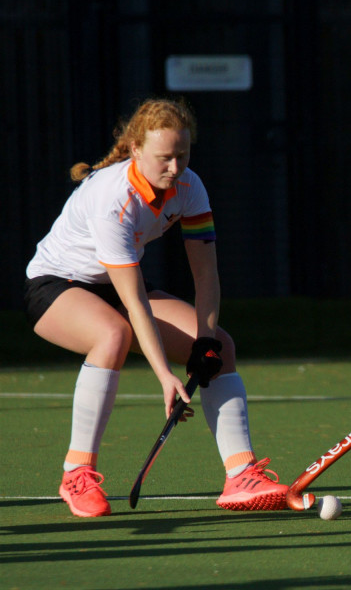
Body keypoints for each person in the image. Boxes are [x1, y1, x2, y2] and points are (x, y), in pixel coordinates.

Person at [25, 98, 289, 517]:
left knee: (222, 347)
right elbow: (133, 303)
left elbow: (206, 276)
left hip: (116, 283)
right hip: (56, 284)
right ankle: (76, 474)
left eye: (181, 155)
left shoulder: (190, 186)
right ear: (135, 150)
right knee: (113, 334)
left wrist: (204, 343)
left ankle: (241, 477)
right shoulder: (115, 199)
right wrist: (165, 376)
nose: (174, 167)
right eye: (164, 158)